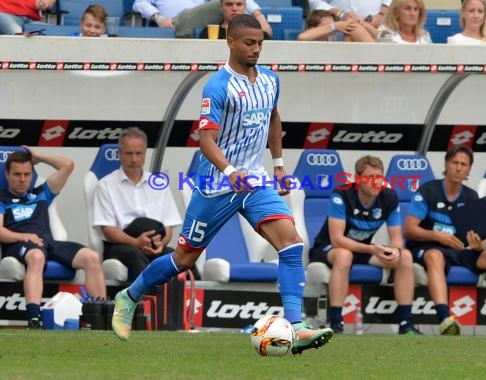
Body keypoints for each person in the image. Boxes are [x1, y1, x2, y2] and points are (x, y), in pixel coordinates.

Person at [112, 14, 333, 354]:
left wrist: (277, 166)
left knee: (291, 244)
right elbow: (206, 141)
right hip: (217, 185)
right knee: (183, 259)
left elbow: (274, 118)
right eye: (249, 43)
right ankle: (129, 296)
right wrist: (231, 172)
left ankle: (295, 324)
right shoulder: (217, 86)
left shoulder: (271, 80)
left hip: (255, 181)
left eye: (260, 43)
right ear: (230, 42)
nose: (256, 49)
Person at [403, 145, 486, 336]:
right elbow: (409, 229)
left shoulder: (471, 196)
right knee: (435, 255)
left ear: (469, 170)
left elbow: (477, 238)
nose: (459, 168)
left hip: (459, 251)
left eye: (464, 164)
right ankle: (445, 318)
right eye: (455, 163)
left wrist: (478, 246)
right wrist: (437, 236)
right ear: (446, 164)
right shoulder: (428, 190)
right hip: (429, 247)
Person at [309, 155, 418, 335]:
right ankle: (336, 323)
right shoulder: (342, 193)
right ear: (358, 179)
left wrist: (395, 251)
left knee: (405, 257)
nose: (375, 183)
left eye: (379, 178)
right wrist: (372, 248)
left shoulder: (389, 197)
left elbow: (397, 237)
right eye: (370, 178)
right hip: (328, 248)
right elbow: (337, 239)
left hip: (362, 249)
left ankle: (406, 324)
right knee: (345, 255)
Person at [0, 148, 107, 328]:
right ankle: (34, 318)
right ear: (7, 174)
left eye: (27, 174)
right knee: (37, 256)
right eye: (17, 174)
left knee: (92, 257)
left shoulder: (41, 193)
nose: (22, 179)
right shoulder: (2, 199)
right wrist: (23, 236)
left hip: (48, 243)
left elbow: (67, 165)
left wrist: (38, 157)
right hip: (18, 244)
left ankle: (102, 316)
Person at [92, 127, 182, 282]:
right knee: (136, 255)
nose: (134, 159)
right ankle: (143, 304)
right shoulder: (105, 185)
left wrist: (161, 244)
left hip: (154, 244)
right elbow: (108, 230)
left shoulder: (159, 184)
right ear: (120, 154)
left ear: (145, 154)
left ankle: (177, 304)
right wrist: (136, 242)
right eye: (129, 153)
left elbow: (168, 226)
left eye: (138, 153)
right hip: (119, 246)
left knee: (175, 258)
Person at [132, 0, 272, 37]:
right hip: (172, 23)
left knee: (229, 3)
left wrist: (260, 17)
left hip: (204, 21)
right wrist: (159, 18)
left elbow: (238, 1)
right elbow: (139, 3)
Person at [199, 0, 270, 40]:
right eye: (229, 4)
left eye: (239, 4)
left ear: (245, 7)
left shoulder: (256, 32)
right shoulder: (208, 33)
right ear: (221, 7)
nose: (234, 8)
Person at [297, 9, 374, 42]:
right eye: (327, 26)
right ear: (312, 28)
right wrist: (333, 26)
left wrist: (364, 25)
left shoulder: (339, 43)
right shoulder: (308, 42)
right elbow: (301, 37)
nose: (333, 31)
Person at [308, 0, 391, 28]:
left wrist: (382, 15)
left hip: (378, 26)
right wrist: (340, 14)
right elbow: (315, 2)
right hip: (337, 27)